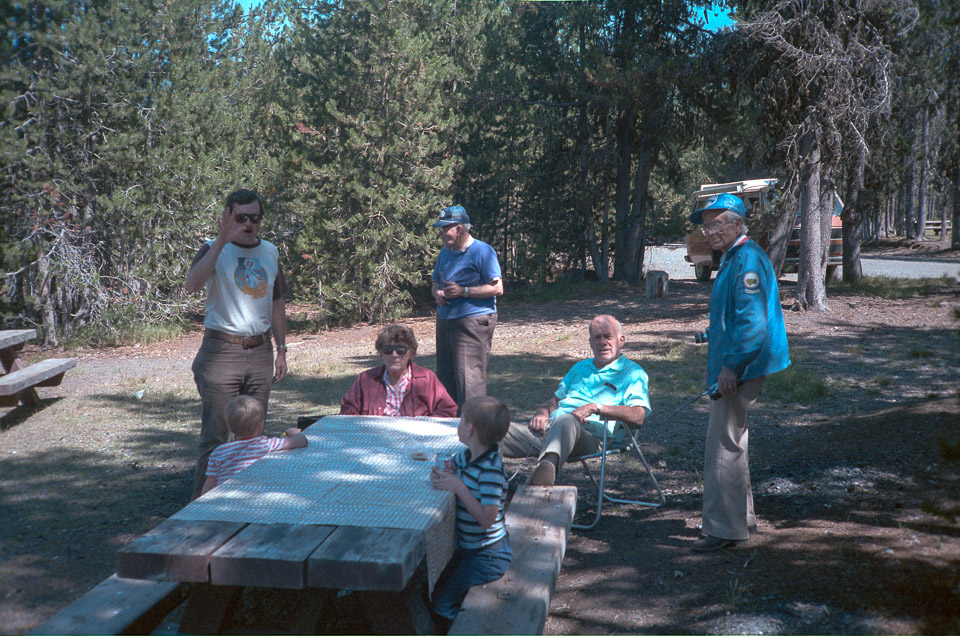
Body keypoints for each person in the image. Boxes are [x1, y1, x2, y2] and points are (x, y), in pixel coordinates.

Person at [688, 192, 790, 552]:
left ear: (736, 223)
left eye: (716, 224)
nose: (709, 231)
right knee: (735, 441)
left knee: (723, 446)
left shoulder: (746, 260)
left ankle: (723, 530)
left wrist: (731, 366)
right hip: (738, 361)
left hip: (742, 366)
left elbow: (752, 324)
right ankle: (741, 518)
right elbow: (735, 316)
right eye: (705, 225)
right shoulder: (734, 257)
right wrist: (708, 335)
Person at [185, 188, 289, 500]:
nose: (248, 223)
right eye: (241, 217)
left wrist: (282, 349)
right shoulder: (212, 248)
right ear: (228, 216)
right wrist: (220, 241)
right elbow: (192, 285)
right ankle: (201, 510)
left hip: (260, 351)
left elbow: (277, 302)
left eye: (254, 217)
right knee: (215, 437)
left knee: (254, 434)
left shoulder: (270, 251)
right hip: (221, 351)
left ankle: (250, 503)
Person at [499, 314, 650, 487]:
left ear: (621, 340)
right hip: (550, 431)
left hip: (591, 437)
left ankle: (541, 477)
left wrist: (595, 408)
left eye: (608, 337)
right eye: (597, 337)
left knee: (567, 421)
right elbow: (554, 401)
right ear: (591, 342)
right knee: (494, 429)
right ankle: (483, 484)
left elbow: (638, 415)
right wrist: (542, 412)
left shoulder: (632, 373)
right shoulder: (579, 368)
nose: (603, 342)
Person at [429, 396, 512, 632]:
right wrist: (441, 473)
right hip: (470, 550)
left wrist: (459, 488)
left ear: (470, 429)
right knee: (434, 582)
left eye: (460, 419)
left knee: (442, 599)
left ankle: (461, 628)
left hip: (489, 556)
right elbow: (452, 465)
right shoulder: (468, 456)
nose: (457, 423)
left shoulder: (491, 470)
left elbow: (487, 519)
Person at [431, 205, 503, 408]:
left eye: (445, 229)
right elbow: (436, 282)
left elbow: (497, 288)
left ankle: (475, 431)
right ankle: (451, 430)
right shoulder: (445, 253)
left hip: (473, 322)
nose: (441, 233)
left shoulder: (483, 251)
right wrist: (437, 293)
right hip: (445, 319)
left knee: (469, 381)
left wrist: (464, 292)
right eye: (441, 229)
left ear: (460, 229)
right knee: (446, 379)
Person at [340, 324, 457, 417]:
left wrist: (425, 428)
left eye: (401, 350)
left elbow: (447, 409)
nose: (394, 355)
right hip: (375, 440)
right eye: (387, 350)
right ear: (381, 355)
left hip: (416, 440)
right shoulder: (366, 379)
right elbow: (348, 411)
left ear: (411, 354)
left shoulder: (426, 378)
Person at [201, 396, 307, 495]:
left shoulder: (218, 452)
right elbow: (301, 441)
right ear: (261, 425)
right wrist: (293, 432)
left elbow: (209, 485)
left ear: (229, 427)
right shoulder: (266, 444)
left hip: (227, 500)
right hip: (257, 497)